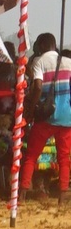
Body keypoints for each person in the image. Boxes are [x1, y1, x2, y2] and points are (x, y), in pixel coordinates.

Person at [19, 32, 71, 207]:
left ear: (42, 46)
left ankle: (23, 194)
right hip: (66, 117)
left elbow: (38, 86)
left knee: (31, 156)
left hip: (45, 117)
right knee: (64, 158)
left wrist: (31, 108)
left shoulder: (39, 62)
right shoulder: (69, 63)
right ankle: (62, 197)